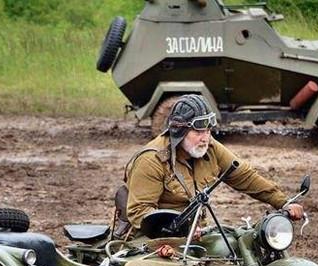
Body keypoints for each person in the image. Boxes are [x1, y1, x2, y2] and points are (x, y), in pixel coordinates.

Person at [123, 94, 303, 234]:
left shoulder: (210, 148)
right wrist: (180, 231)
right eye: (198, 131)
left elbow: (244, 176)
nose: (205, 138)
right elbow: (140, 212)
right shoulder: (152, 160)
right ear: (179, 130)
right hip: (155, 238)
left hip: (198, 233)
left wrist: (283, 202)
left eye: (208, 130)